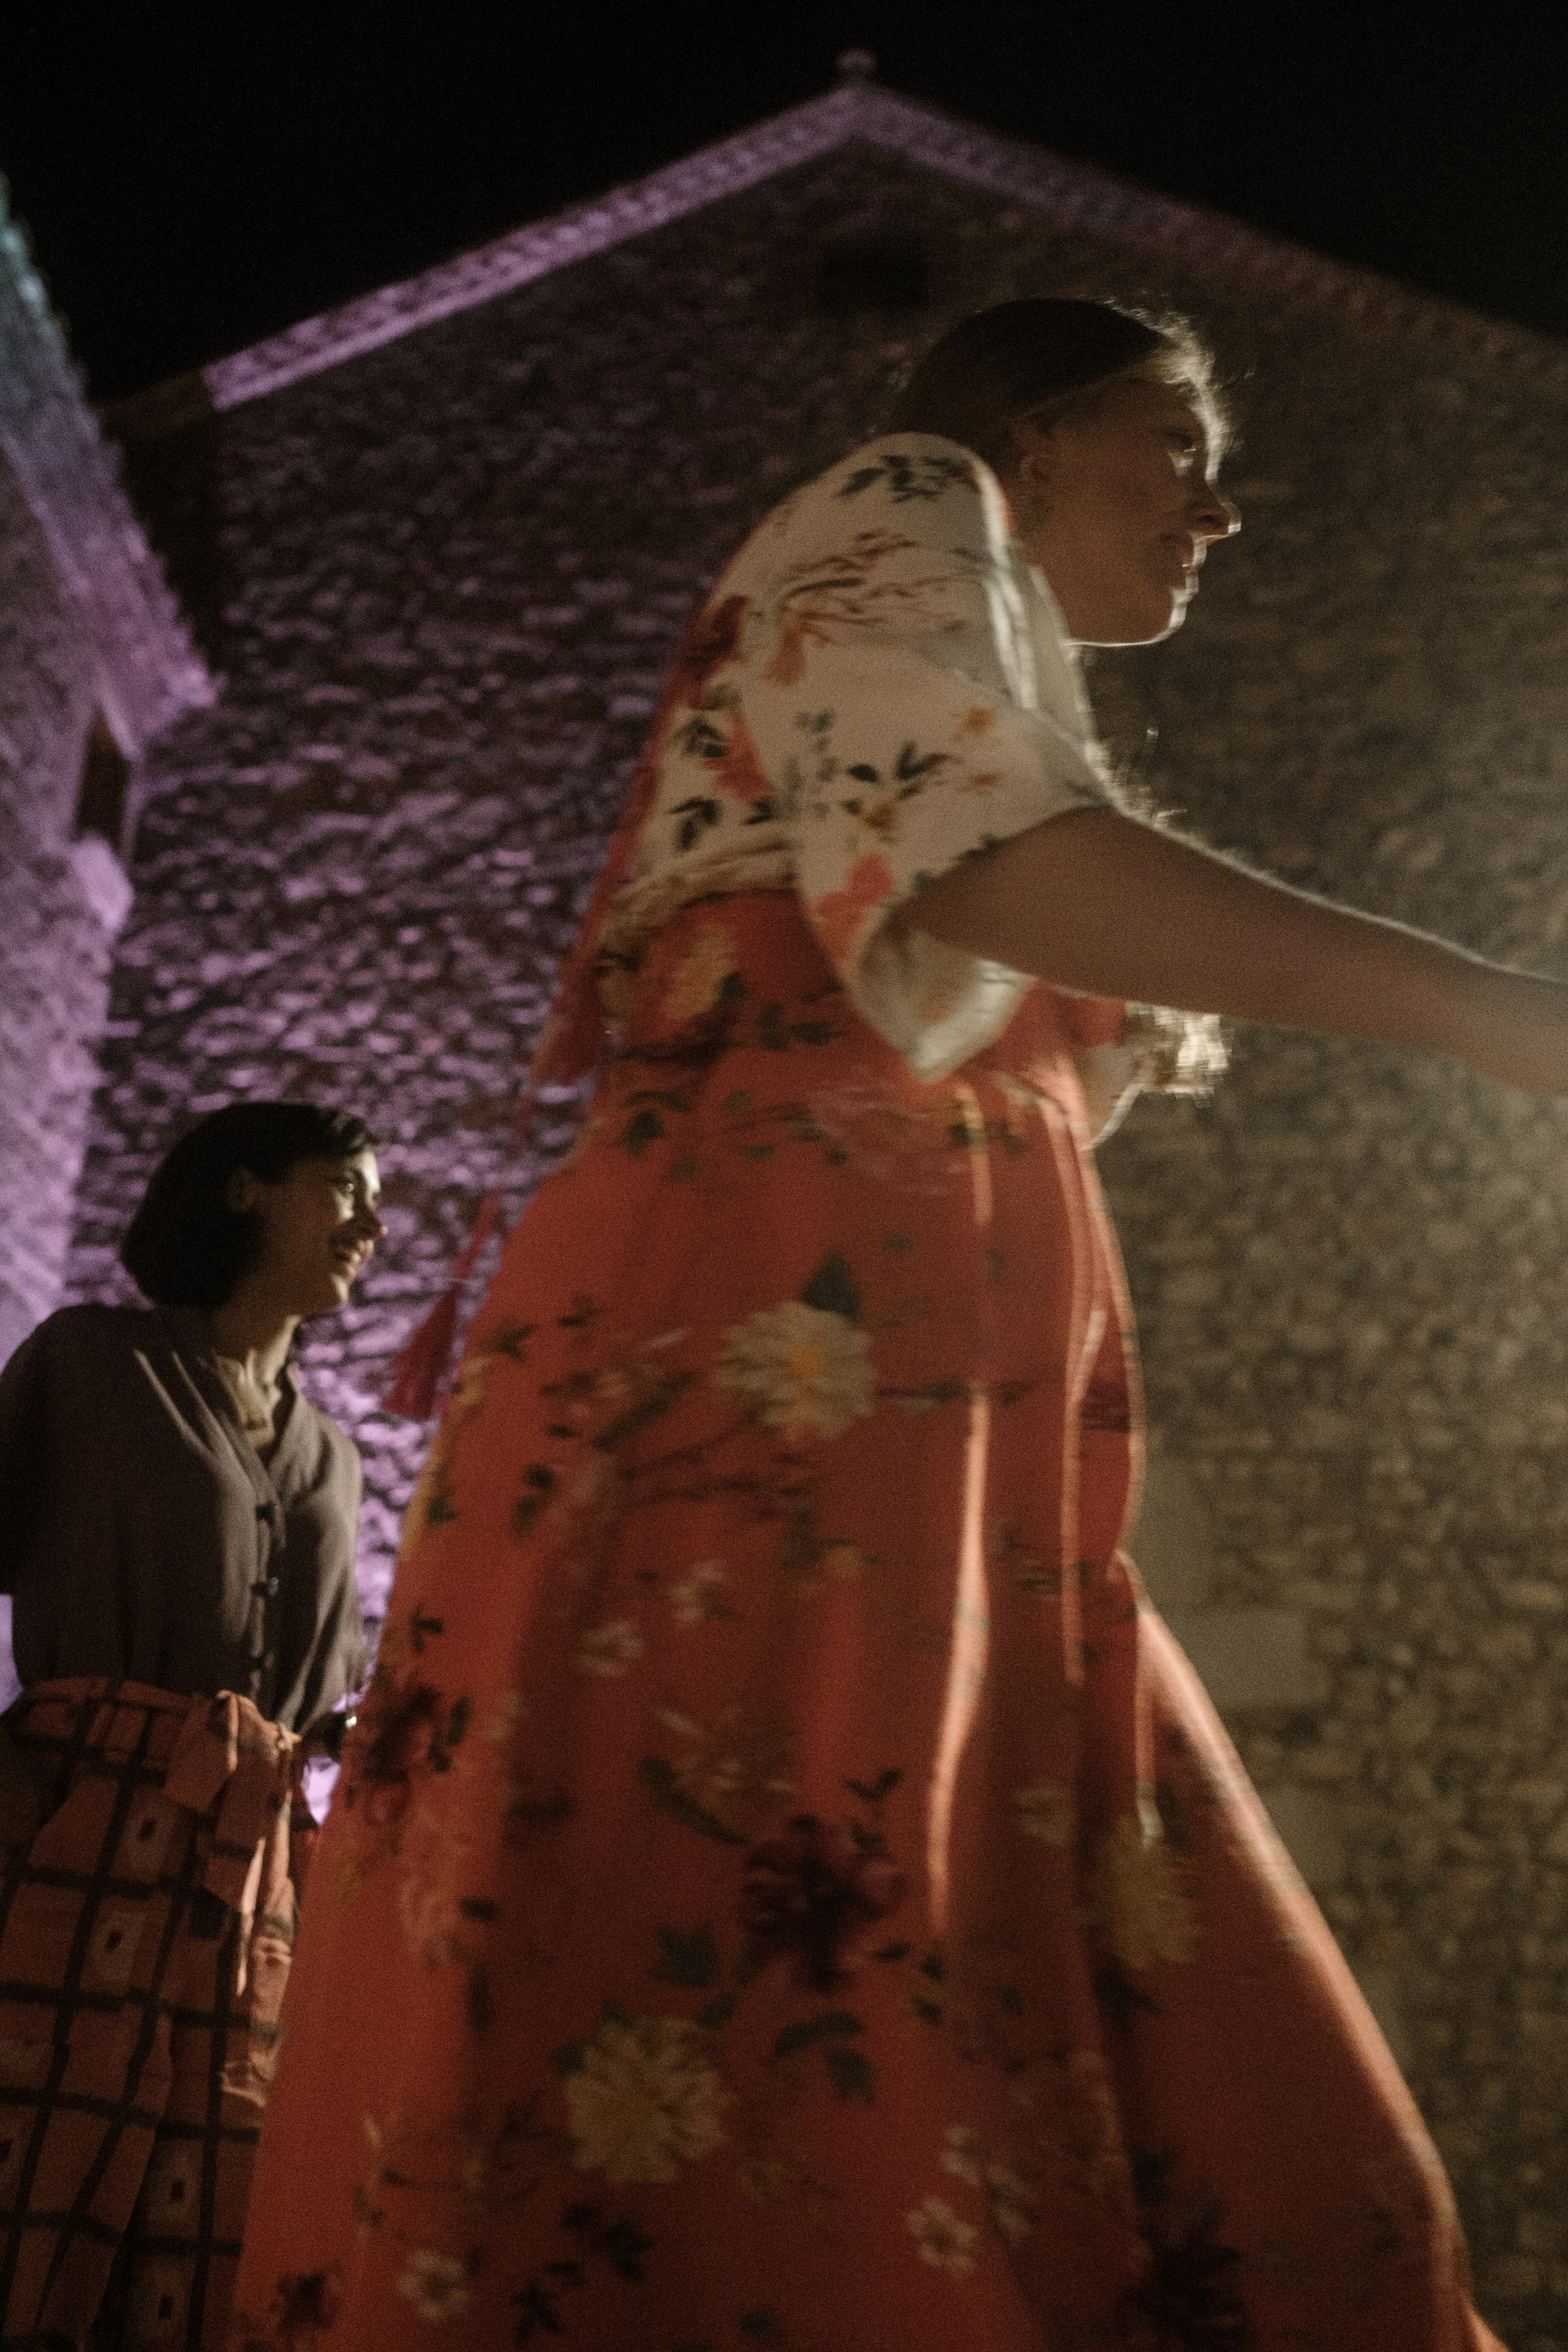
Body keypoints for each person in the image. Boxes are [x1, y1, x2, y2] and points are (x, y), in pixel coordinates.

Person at [228, 302, 1547, 2351]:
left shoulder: (964, 664)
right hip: (763, 1358)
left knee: (925, 1955)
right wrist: (1481, 1010)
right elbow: (994, 867)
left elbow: (1011, 962)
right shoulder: (906, 506)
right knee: (789, 1957)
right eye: (1176, 436)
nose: (1223, 500)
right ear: (1021, 433)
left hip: (925, 1414)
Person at [0, 1101, 381, 2352]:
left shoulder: (334, 1458)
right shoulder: (92, 1363)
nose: (370, 1225)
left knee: (204, 2205)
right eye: (342, 1186)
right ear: (242, 1192)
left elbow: (331, 1697)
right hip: (71, 1826)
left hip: (249, 1878)